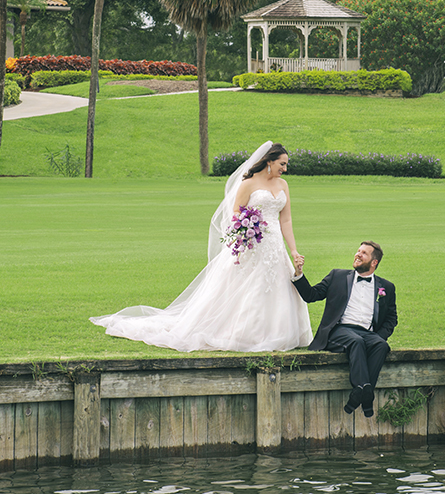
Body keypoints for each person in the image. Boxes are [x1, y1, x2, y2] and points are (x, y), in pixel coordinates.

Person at [90, 141, 313, 352]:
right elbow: (236, 211)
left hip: (275, 245)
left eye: (286, 164)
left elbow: (286, 220)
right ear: (269, 162)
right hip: (251, 244)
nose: (285, 168)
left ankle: (276, 333)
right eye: (282, 163)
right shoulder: (249, 183)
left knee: (278, 286)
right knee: (250, 288)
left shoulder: (283, 185)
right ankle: (246, 334)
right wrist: (248, 227)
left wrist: (293, 250)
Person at [291, 241, 397, 417]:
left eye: (364, 253)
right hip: (339, 330)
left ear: (374, 262)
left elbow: (391, 319)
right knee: (356, 342)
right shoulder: (337, 276)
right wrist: (299, 273)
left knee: (381, 345)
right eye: (358, 251)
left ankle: (360, 392)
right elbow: (311, 295)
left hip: (367, 332)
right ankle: (365, 393)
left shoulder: (386, 287)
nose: (358, 254)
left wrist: (378, 336)